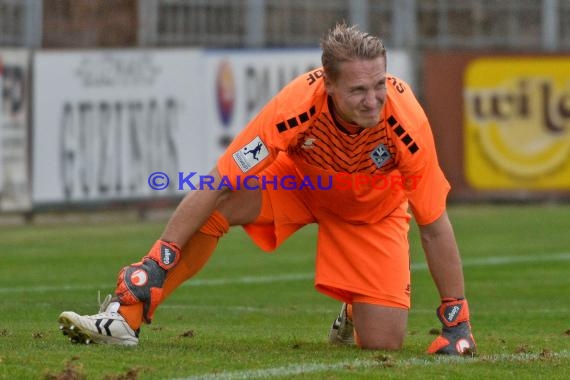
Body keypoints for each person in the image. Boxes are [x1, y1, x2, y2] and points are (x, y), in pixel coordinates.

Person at [58, 22, 476, 354]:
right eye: (359, 90)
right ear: (327, 85)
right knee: (220, 206)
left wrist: (456, 319)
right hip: (298, 183)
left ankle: (354, 304)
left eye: (379, 84)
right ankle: (122, 319)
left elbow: (434, 225)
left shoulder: (408, 124)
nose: (373, 100)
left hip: (372, 211)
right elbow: (219, 181)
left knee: (383, 343)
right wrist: (156, 260)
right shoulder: (295, 105)